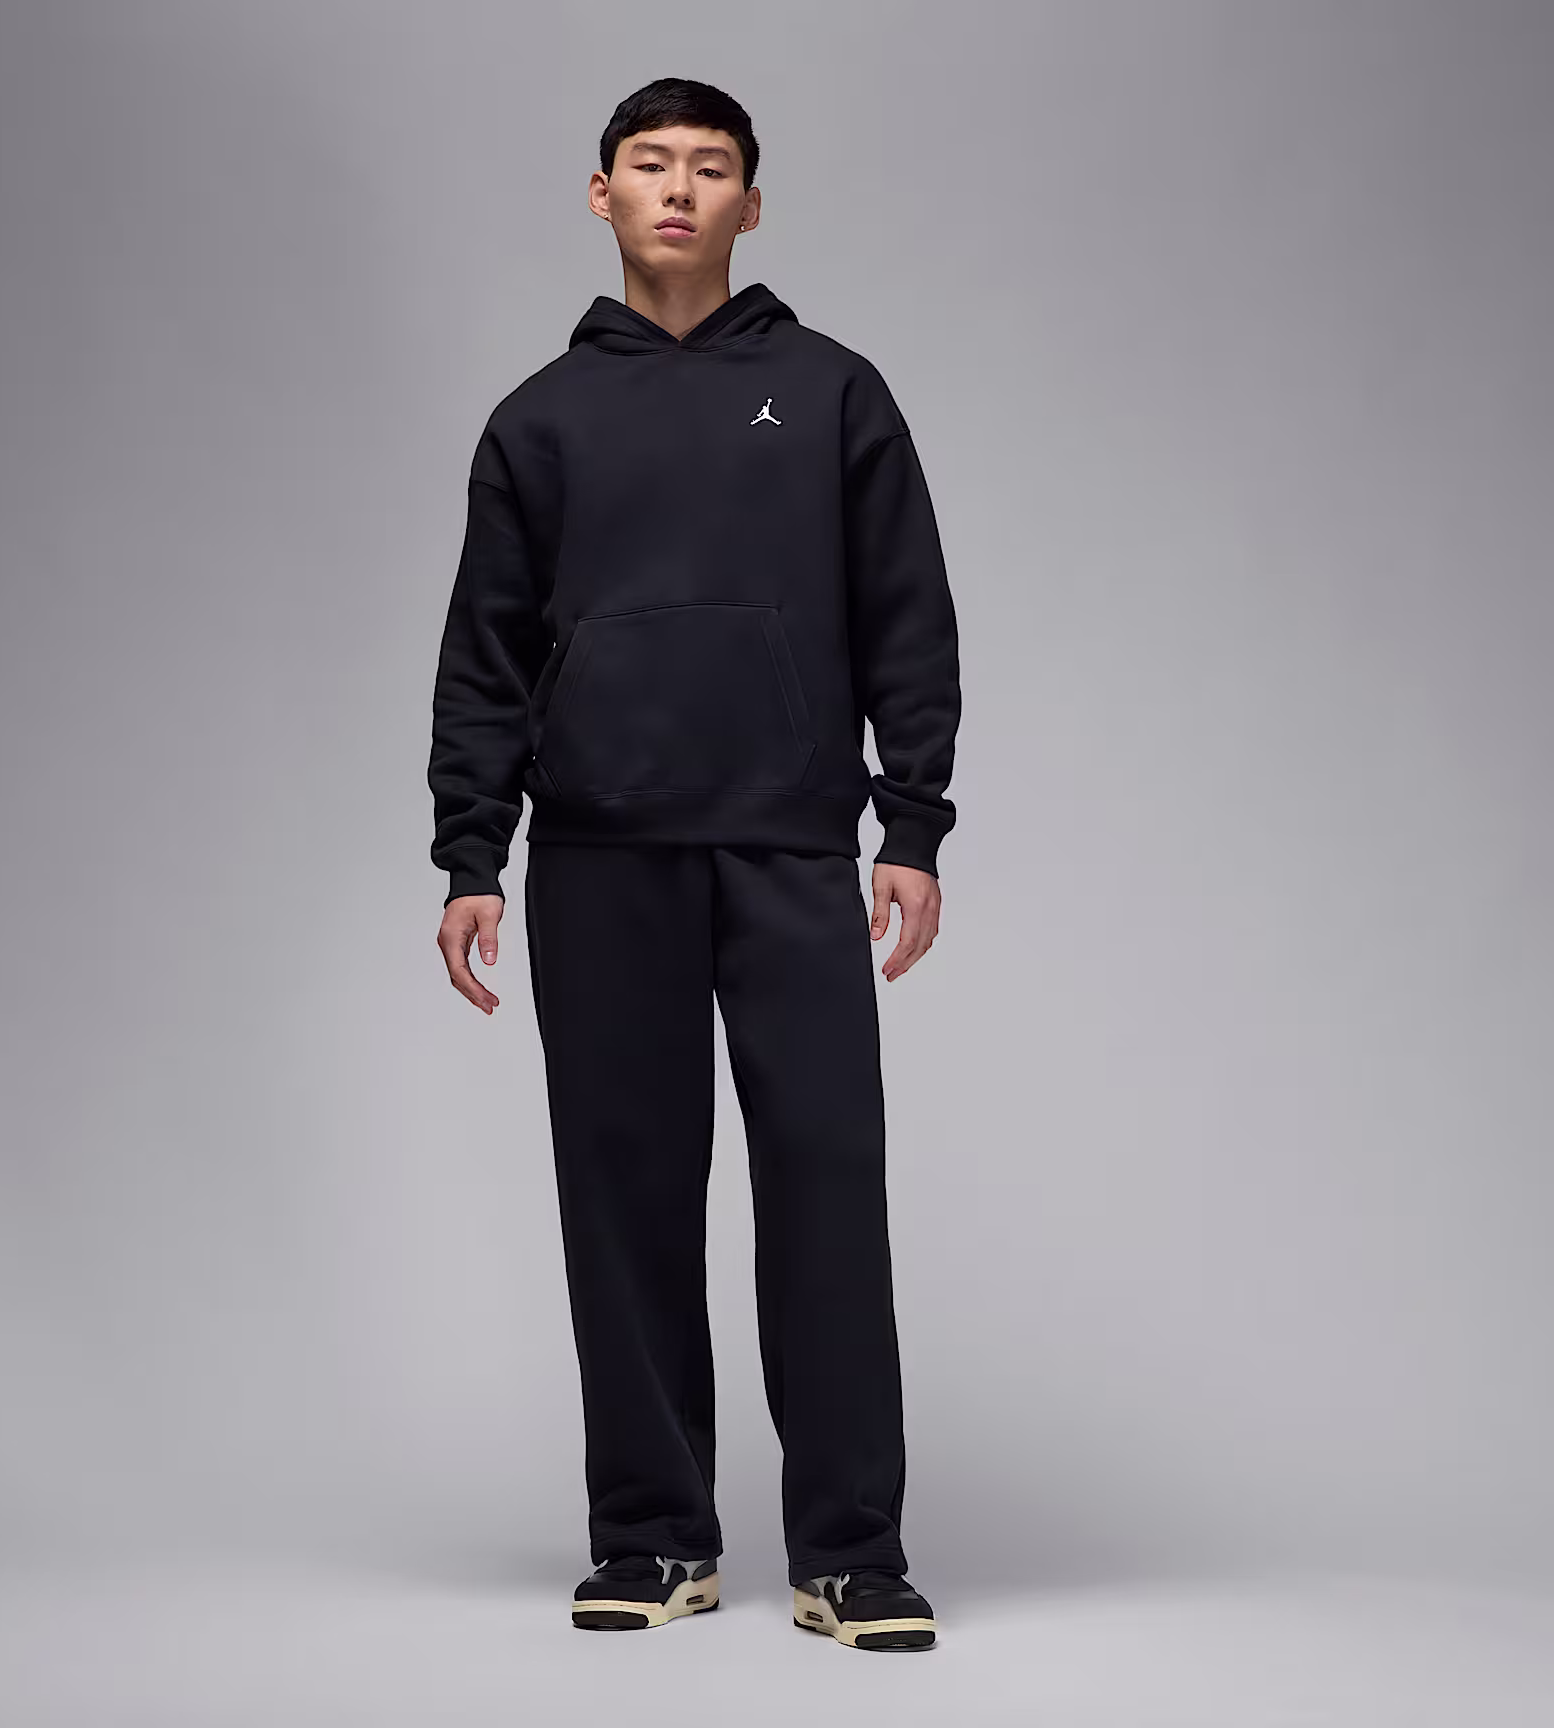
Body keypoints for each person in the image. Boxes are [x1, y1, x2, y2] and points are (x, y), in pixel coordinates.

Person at [427, 77, 959, 1652]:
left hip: (791, 846)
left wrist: (911, 824)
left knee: (826, 1195)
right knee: (625, 1200)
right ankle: (655, 1539)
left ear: (750, 204)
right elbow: (486, 653)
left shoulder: (835, 392)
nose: (679, 188)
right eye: (649, 164)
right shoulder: (538, 419)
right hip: (600, 855)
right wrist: (472, 851)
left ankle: (852, 1555)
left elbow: (907, 614)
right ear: (600, 194)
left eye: (711, 167)